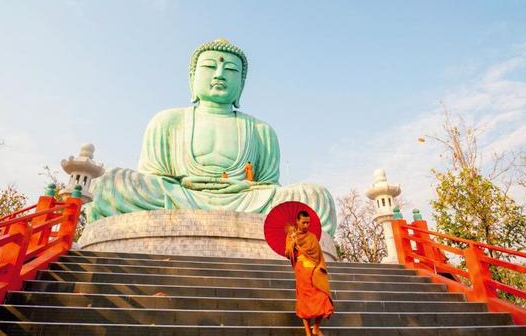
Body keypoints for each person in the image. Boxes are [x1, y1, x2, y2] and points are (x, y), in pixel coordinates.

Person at [86, 39, 337, 235]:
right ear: (192, 78)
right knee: (108, 184)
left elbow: (269, 186)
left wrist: (244, 188)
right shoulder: (167, 120)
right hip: (178, 195)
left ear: (241, 83)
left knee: (314, 196)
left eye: (230, 70)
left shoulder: (261, 131)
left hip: (246, 200)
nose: (219, 74)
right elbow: (155, 177)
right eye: (209, 66)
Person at [285, 210, 334, 336]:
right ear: (297, 221)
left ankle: (316, 328)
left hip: (314, 271)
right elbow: (287, 253)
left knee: (324, 298)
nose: (306, 225)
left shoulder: (312, 237)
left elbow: (319, 256)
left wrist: (319, 267)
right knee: (304, 303)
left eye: (308, 223)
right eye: (304, 222)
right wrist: (293, 244)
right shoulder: (292, 236)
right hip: (302, 271)